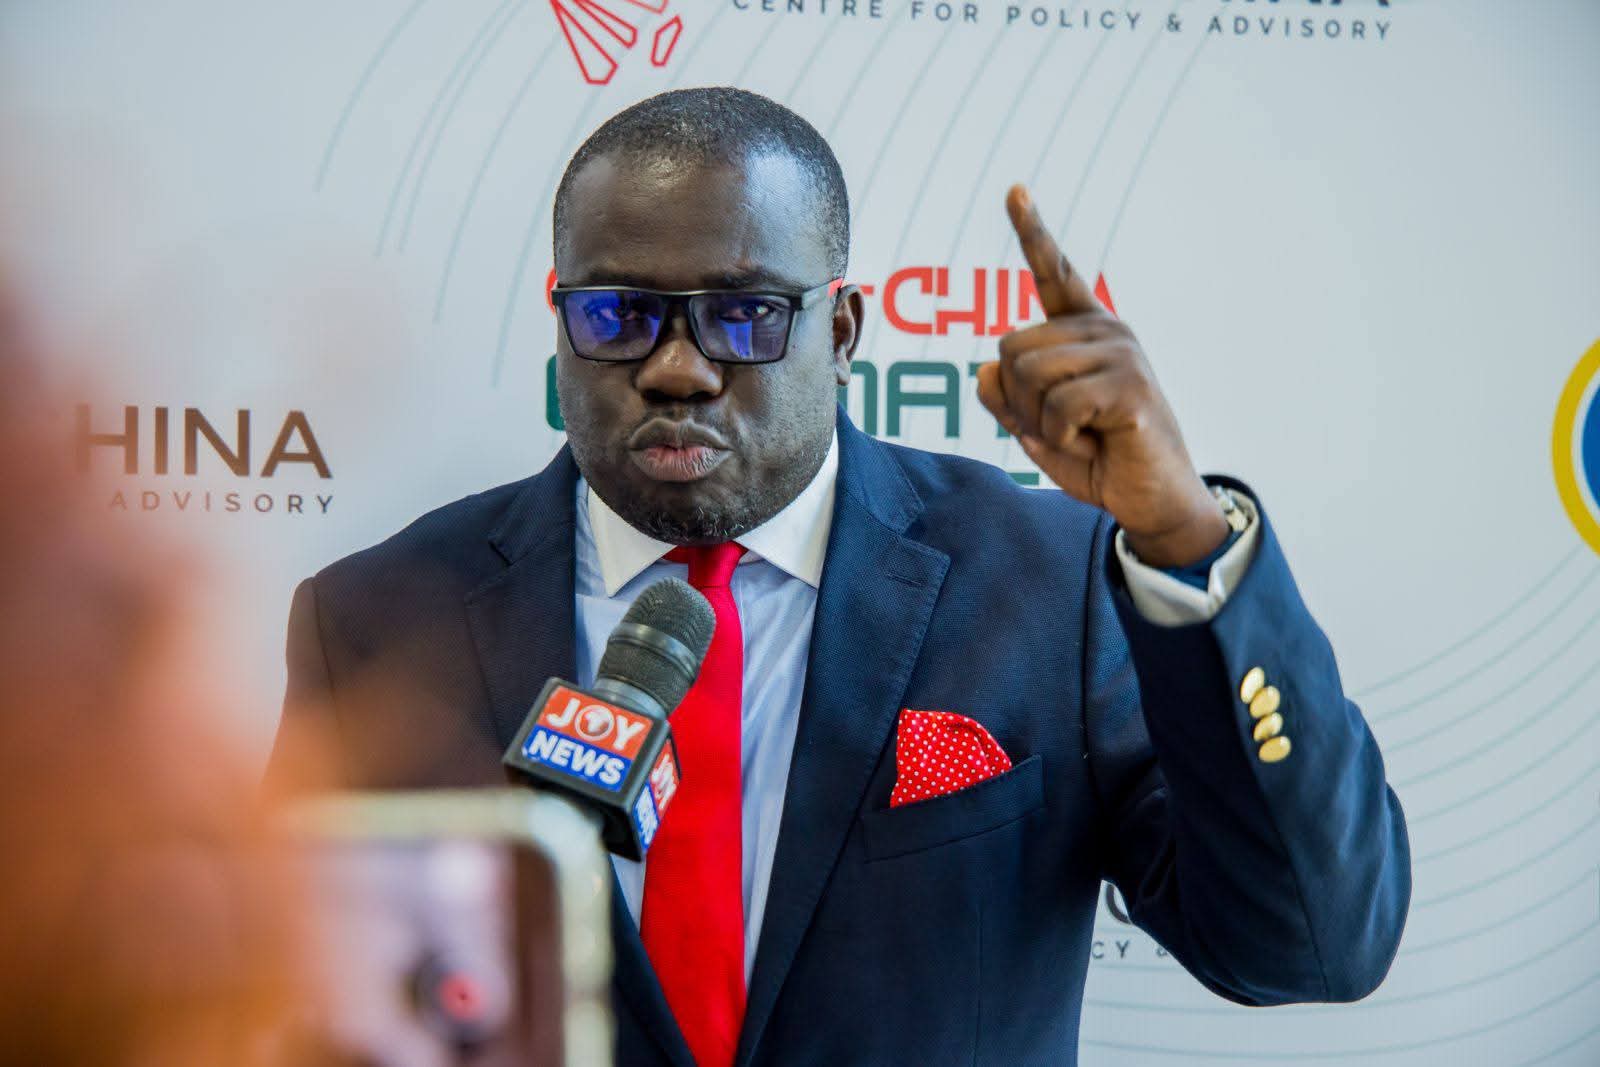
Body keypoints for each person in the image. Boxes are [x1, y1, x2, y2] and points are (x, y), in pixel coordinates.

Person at [268, 87, 1409, 1067]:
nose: (678, 368)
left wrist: (1185, 544)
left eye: (746, 316)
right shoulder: (378, 619)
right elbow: (284, 1005)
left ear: (846, 329)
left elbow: (1308, 943)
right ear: (561, 322)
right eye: (619, 314)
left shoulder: (1049, 585)